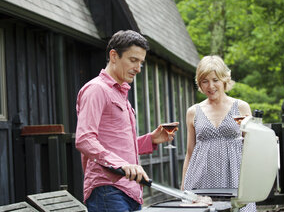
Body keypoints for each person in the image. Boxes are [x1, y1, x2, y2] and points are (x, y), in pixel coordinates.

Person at [75, 30, 176, 212]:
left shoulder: (120, 94)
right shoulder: (96, 90)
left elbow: (117, 146)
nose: (138, 68)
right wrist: (121, 165)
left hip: (130, 191)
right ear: (114, 55)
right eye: (133, 60)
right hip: (107, 191)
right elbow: (84, 139)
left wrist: (150, 140)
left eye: (141, 63)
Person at [181, 55, 256, 212]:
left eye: (215, 79)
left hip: (235, 181)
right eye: (205, 81)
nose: (210, 86)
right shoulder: (193, 112)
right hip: (201, 183)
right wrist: (183, 189)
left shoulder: (241, 108)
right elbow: (189, 154)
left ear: (224, 79)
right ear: (200, 83)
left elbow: (251, 151)